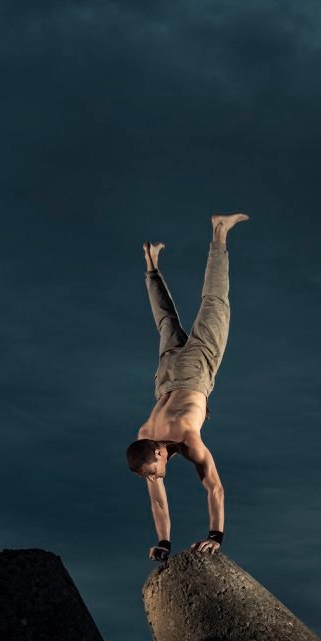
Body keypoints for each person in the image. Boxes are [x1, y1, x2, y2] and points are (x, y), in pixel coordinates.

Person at [125, 212, 247, 561]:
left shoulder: (186, 438)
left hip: (193, 372)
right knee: (165, 321)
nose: (155, 478)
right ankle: (151, 263)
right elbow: (159, 502)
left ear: (160, 453)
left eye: (154, 471)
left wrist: (216, 536)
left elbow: (215, 488)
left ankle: (219, 231)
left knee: (215, 305)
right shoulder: (144, 436)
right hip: (165, 377)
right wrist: (163, 542)